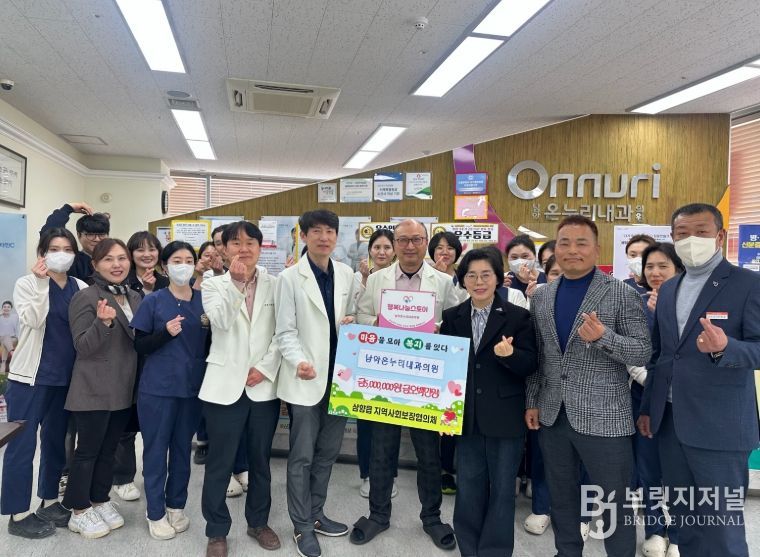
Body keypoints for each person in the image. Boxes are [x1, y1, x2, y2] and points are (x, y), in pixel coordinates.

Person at [638, 203, 760, 557]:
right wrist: (648, 408)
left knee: (721, 528)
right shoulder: (669, 289)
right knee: (685, 521)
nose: (691, 240)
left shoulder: (748, 284)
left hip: (720, 428)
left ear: (720, 236)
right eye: (682, 234)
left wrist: (726, 348)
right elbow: (661, 355)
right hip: (671, 424)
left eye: (701, 232)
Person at [526, 215, 651, 557]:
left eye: (581, 243)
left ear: (597, 249)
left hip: (605, 417)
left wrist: (603, 338)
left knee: (614, 503)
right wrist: (532, 399)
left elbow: (642, 350)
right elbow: (540, 355)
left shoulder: (621, 293)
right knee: (562, 497)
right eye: (564, 243)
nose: (572, 250)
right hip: (553, 413)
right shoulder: (542, 296)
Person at [350, 219, 459, 551]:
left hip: (427, 379)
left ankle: (432, 518)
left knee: (428, 454)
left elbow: (456, 323)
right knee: (382, 450)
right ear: (395, 244)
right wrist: (382, 322)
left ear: (426, 242)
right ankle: (378, 515)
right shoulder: (377, 280)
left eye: (416, 239)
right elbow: (362, 316)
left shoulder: (444, 282)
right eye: (403, 240)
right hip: (387, 376)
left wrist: (437, 328)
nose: (409, 246)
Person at [440, 248, 537, 557]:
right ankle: (469, 549)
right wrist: (443, 414)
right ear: (462, 280)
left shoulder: (518, 316)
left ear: (498, 278)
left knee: (502, 491)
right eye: (471, 275)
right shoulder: (452, 317)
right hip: (466, 417)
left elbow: (531, 364)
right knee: (468, 488)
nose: (479, 282)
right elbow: (446, 370)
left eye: (486, 275)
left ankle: (495, 551)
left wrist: (511, 356)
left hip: (505, 417)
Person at [275, 210, 356, 557]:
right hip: (307, 378)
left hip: (341, 379)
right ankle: (302, 526)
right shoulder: (289, 278)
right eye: (317, 231)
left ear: (337, 237)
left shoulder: (347, 274)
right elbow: (284, 331)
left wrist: (352, 322)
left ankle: (316, 513)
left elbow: (353, 318)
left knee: (327, 454)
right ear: (304, 236)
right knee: (303, 456)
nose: (324, 237)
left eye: (330, 231)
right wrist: (299, 362)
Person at [200, 222, 283, 557]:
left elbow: (283, 332)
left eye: (251, 242)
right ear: (224, 249)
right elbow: (220, 323)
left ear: (261, 248)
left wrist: (265, 368)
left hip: (262, 386)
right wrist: (236, 284)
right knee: (219, 463)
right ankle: (216, 530)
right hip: (223, 387)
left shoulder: (276, 284)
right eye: (236, 243)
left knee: (260, 461)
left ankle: (258, 522)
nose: (243, 249)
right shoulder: (212, 284)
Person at [1, 229, 88, 538]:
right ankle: (18, 514)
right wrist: (41, 284)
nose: (61, 254)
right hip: (30, 379)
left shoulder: (80, 286)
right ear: (42, 253)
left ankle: (49, 500)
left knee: (55, 442)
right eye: (54, 248)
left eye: (67, 249)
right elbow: (34, 320)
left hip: (65, 380)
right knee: (22, 446)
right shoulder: (27, 284)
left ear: (74, 255)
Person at [62, 238, 142, 539]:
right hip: (93, 389)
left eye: (122, 258)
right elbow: (82, 346)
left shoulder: (135, 297)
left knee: (109, 450)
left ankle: (99, 499)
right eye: (108, 259)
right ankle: (78, 510)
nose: (117, 264)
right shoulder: (86, 297)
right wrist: (103, 324)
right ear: (95, 264)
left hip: (123, 388)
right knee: (88, 452)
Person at [130, 241, 209, 540]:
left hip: (191, 388)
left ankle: (176, 505)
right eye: (177, 260)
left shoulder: (204, 301)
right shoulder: (153, 301)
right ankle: (155, 512)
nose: (183, 265)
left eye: (189, 260)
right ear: (164, 266)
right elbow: (139, 345)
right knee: (155, 451)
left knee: (181, 450)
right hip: (158, 389)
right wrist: (165, 333)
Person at [631, 242, 684, 557]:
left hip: (682, 401)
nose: (655, 272)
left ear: (678, 268)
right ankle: (654, 529)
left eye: (663, 265)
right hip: (646, 397)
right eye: (649, 266)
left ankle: (678, 533)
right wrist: (649, 379)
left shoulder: (691, 304)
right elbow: (631, 350)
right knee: (649, 467)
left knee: (679, 471)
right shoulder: (635, 303)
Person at [353, 229, 399, 499]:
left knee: (392, 420)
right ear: (370, 250)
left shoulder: (405, 277)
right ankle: (368, 474)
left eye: (386, 247)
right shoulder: (364, 279)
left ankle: (389, 474)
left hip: (400, 360)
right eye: (377, 247)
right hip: (370, 357)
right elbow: (359, 314)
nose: (382, 252)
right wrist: (378, 322)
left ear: (394, 250)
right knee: (367, 421)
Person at [429, 231, 464, 494]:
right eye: (439, 247)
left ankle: (447, 469)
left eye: (450, 247)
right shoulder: (424, 275)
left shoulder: (466, 277)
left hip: (453, 355)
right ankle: (432, 468)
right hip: (429, 354)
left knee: (448, 414)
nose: (445, 252)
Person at [192, 240, 223, 466]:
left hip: (221, 343)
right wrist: (200, 274)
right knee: (202, 396)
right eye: (206, 255)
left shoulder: (231, 275)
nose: (211, 258)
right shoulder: (195, 278)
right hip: (201, 344)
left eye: (215, 254)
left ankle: (218, 440)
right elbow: (194, 305)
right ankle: (202, 441)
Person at [40, 202, 110, 282]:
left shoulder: (116, 258)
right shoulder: (72, 260)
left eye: (101, 234)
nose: (97, 239)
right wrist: (68, 208)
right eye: (90, 234)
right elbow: (49, 233)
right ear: (79, 235)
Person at [0, 300, 19, 373]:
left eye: (8, 307)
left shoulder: (15, 317)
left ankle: (3, 364)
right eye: (4, 307)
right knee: (5, 339)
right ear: (2, 308)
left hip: (13, 339)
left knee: (6, 339)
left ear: (11, 308)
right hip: (1, 338)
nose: (6, 308)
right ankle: (12, 353)